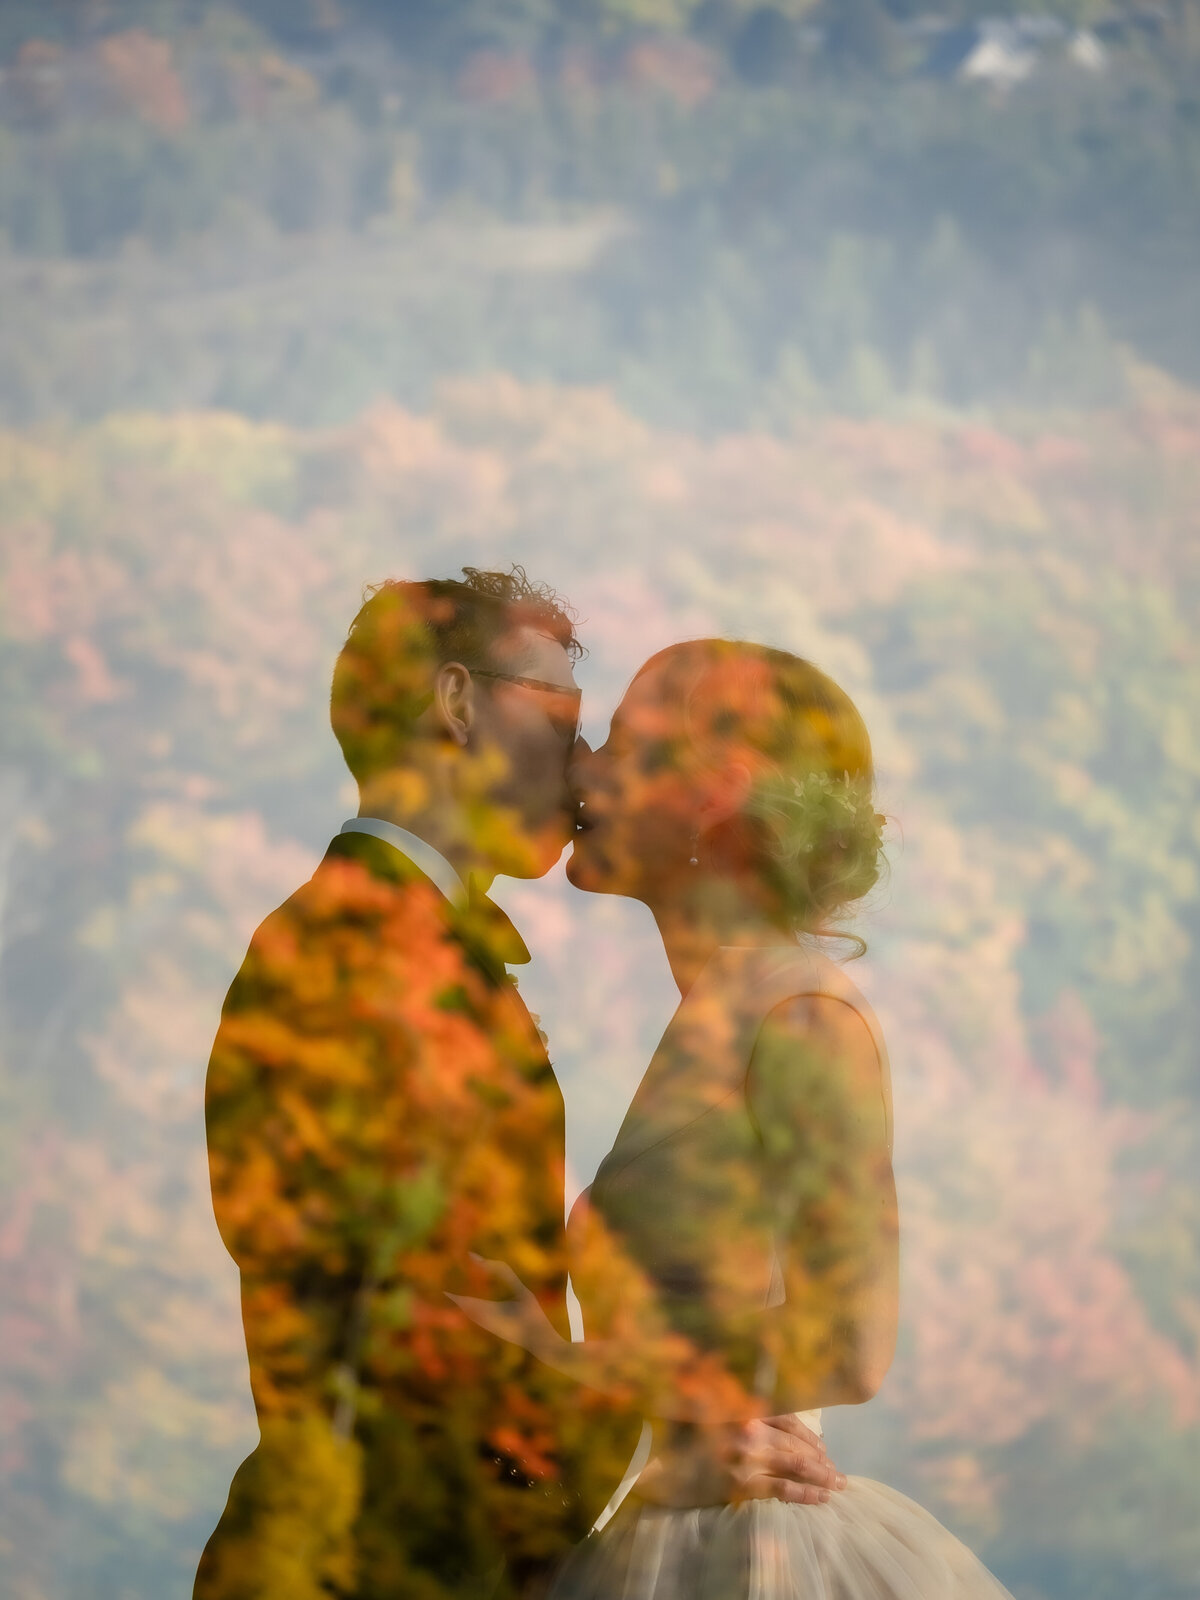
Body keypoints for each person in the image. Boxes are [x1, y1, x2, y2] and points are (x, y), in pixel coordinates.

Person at [194, 579, 828, 1600]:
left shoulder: (394, 944)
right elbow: (415, 1340)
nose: (583, 762)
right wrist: (667, 1450)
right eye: (566, 715)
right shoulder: (359, 956)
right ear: (457, 702)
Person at [453, 638, 1016, 1599]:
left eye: (624, 743)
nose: (581, 763)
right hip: (687, 1511)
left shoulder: (801, 1018)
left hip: (757, 1551)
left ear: (719, 792)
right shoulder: (722, 1006)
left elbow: (849, 1343)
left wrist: (569, 1368)